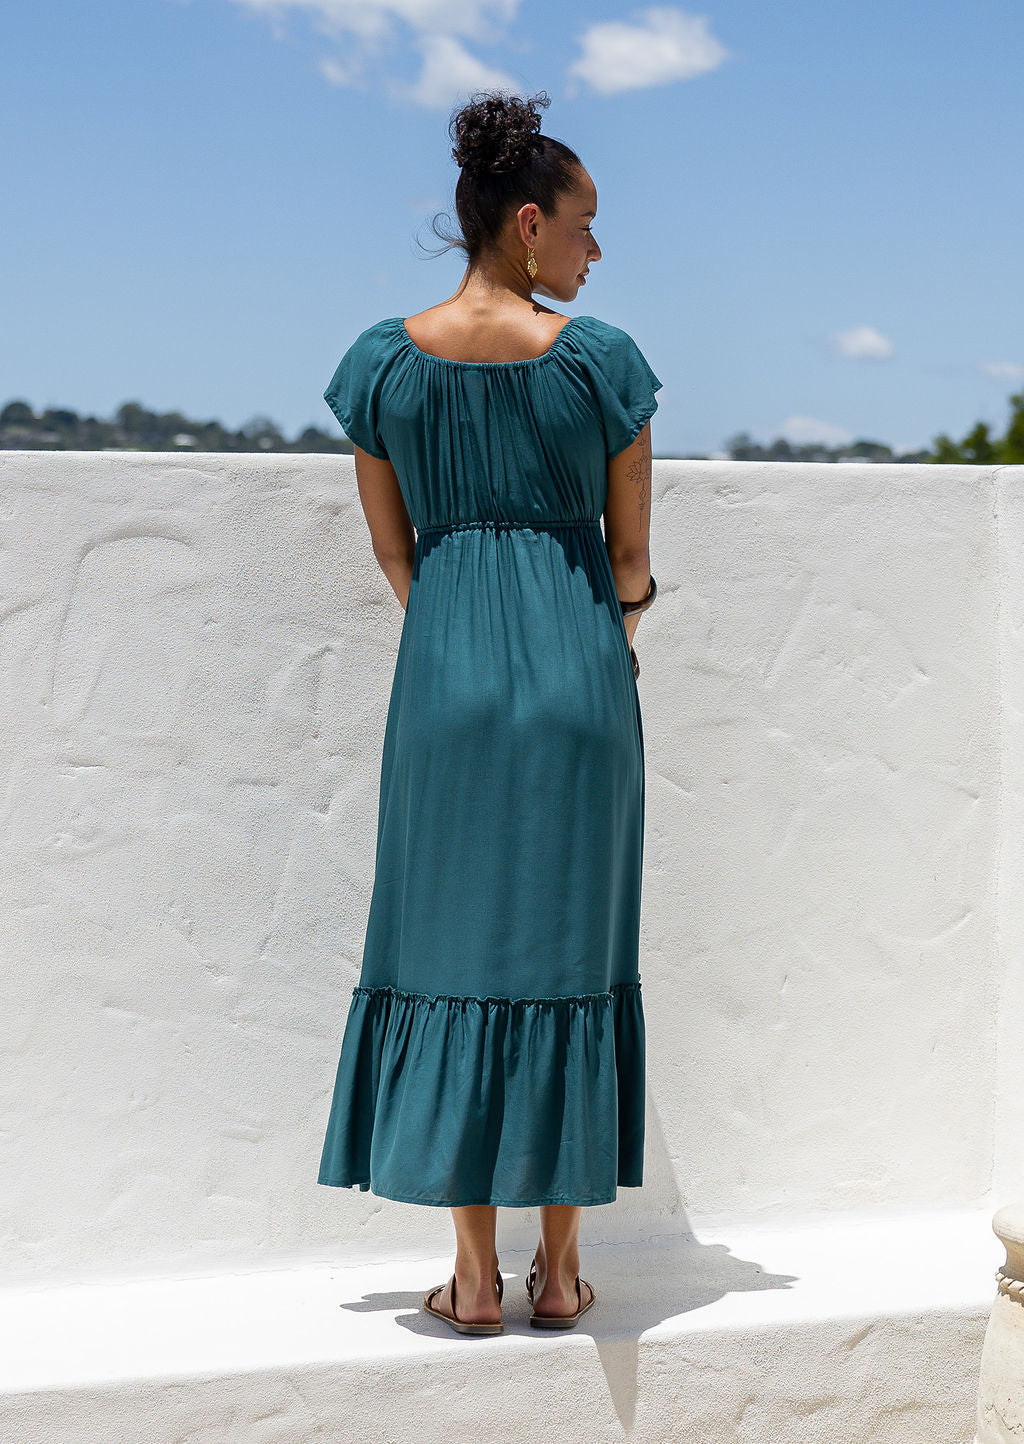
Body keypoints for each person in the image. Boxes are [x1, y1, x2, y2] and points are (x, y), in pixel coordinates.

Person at [317, 89, 662, 1336]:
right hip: (577, 674)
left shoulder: (380, 365)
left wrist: (462, 625)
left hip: (445, 677)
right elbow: (629, 560)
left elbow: (392, 551)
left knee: (446, 948)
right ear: (528, 224)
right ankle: (560, 1273)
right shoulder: (601, 361)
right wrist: (599, 633)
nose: (593, 251)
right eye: (583, 224)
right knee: (574, 953)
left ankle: (469, 1277)